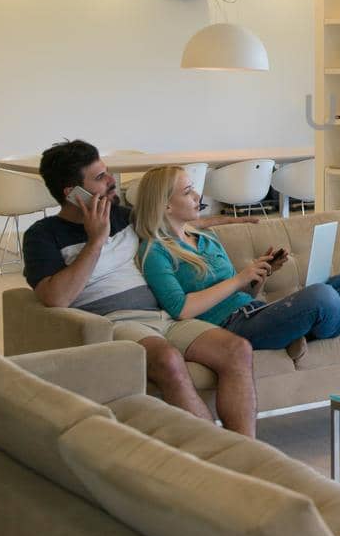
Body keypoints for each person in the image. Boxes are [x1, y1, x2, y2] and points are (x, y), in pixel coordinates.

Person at [21, 140, 258, 434]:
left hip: (164, 316)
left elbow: (172, 219)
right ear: (73, 193)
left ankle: (246, 450)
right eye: (99, 178)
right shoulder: (42, 236)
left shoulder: (123, 215)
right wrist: (96, 239)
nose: (112, 182)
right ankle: (217, 454)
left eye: (107, 173)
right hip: (116, 322)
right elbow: (55, 298)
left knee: (237, 349)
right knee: (168, 359)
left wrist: (233, 220)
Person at [131, 165, 340, 357]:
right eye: (187, 192)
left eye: (194, 189)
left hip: (256, 311)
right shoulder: (155, 251)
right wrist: (239, 279)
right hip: (231, 326)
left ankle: (303, 333)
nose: (197, 196)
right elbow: (182, 310)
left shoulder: (205, 238)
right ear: (166, 205)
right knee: (322, 297)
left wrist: (259, 276)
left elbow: (245, 294)